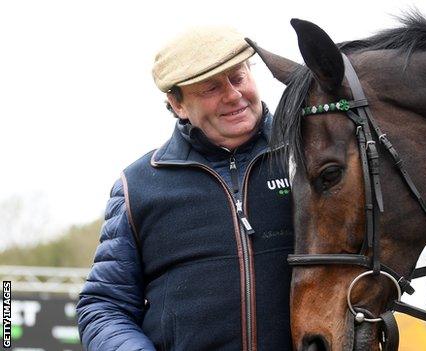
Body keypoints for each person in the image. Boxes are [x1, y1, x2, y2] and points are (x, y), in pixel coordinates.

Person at [76, 26, 294, 350]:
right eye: (210, 88)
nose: (233, 95)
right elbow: (104, 306)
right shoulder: (137, 187)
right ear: (177, 104)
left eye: (238, 77)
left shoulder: (309, 158)